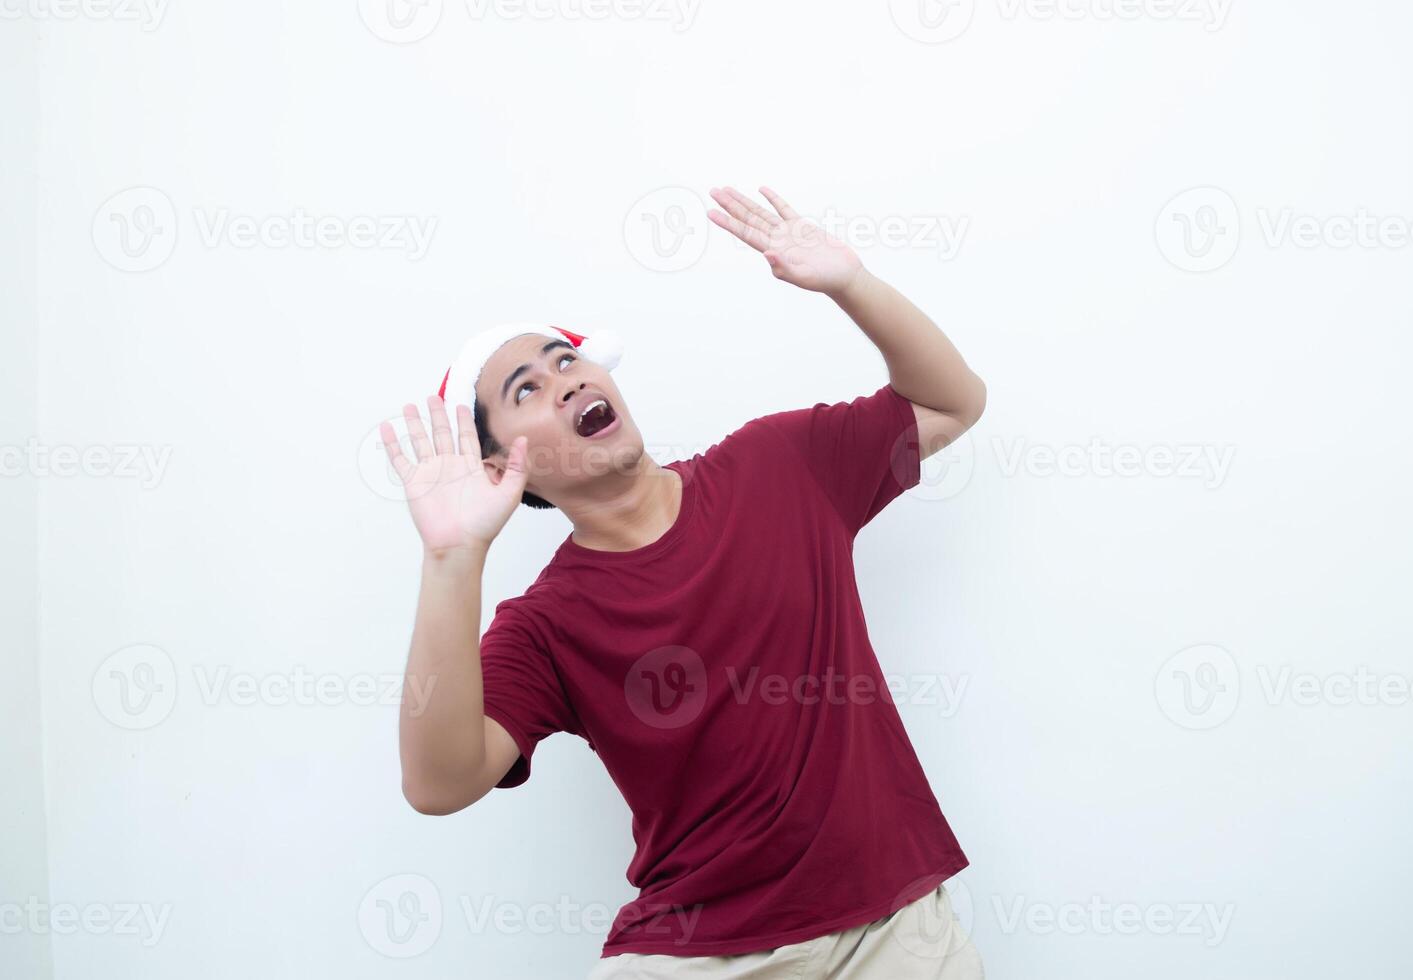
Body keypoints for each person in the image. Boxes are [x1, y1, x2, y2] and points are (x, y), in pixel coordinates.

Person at [381, 186, 988, 979]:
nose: (565, 381)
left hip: (895, 933)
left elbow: (952, 403)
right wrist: (451, 560)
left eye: (567, 360)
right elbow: (439, 783)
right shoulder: (547, 624)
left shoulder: (780, 466)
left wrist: (851, 283)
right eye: (525, 390)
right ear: (500, 467)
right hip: (701, 956)